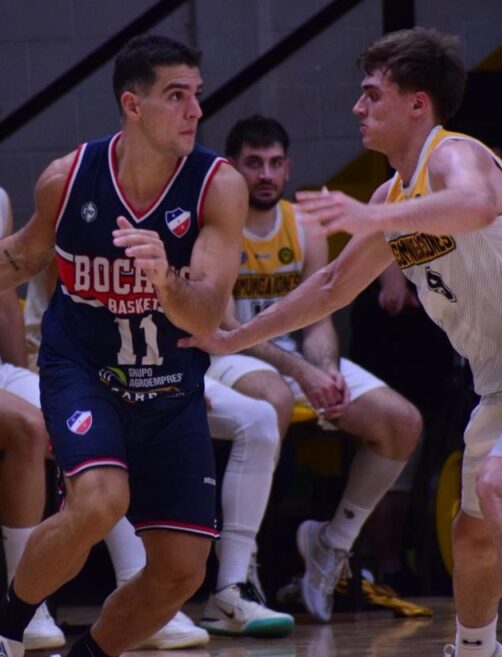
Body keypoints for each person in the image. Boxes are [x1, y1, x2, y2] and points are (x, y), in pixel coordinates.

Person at [183, 27, 502, 657]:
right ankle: (474, 648)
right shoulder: (391, 197)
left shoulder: (457, 155)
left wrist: (377, 219)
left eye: (372, 95)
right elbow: (333, 285)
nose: (357, 108)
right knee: (473, 530)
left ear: (417, 104)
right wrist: (231, 336)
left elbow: (474, 204)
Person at [0, 83, 210, 651]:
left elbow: (2, 302)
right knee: (28, 427)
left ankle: (138, 588)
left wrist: (29, 374)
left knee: (101, 438)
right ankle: (27, 608)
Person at [0, 34, 247, 657]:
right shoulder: (69, 176)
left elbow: (210, 307)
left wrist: (165, 278)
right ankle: (0, 633)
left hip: (170, 385)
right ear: (133, 105)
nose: (195, 110)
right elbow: (23, 254)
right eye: (176, 96)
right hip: (85, 370)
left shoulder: (219, 186)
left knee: (183, 571)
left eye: (197, 96)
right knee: (101, 501)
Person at [207, 115, 422, 622]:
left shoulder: (303, 225)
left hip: (293, 359)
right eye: (253, 163)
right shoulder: (215, 225)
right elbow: (225, 324)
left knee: (402, 422)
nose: (265, 174)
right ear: (232, 169)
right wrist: (303, 374)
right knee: (273, 399)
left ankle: (331, 546)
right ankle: (243, 564)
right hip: (228, 355)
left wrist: (325, 369)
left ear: (287, 169)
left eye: (275, 163)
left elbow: (319, 321)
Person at [25, 264, 293, 639]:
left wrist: (180, 381)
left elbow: (211, 309)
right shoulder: (84, 217)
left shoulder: (198, 213)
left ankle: (233, 586)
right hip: (83, 368)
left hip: (171, 359)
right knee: (107, 465)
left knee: (260, 418)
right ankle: (130, 583)